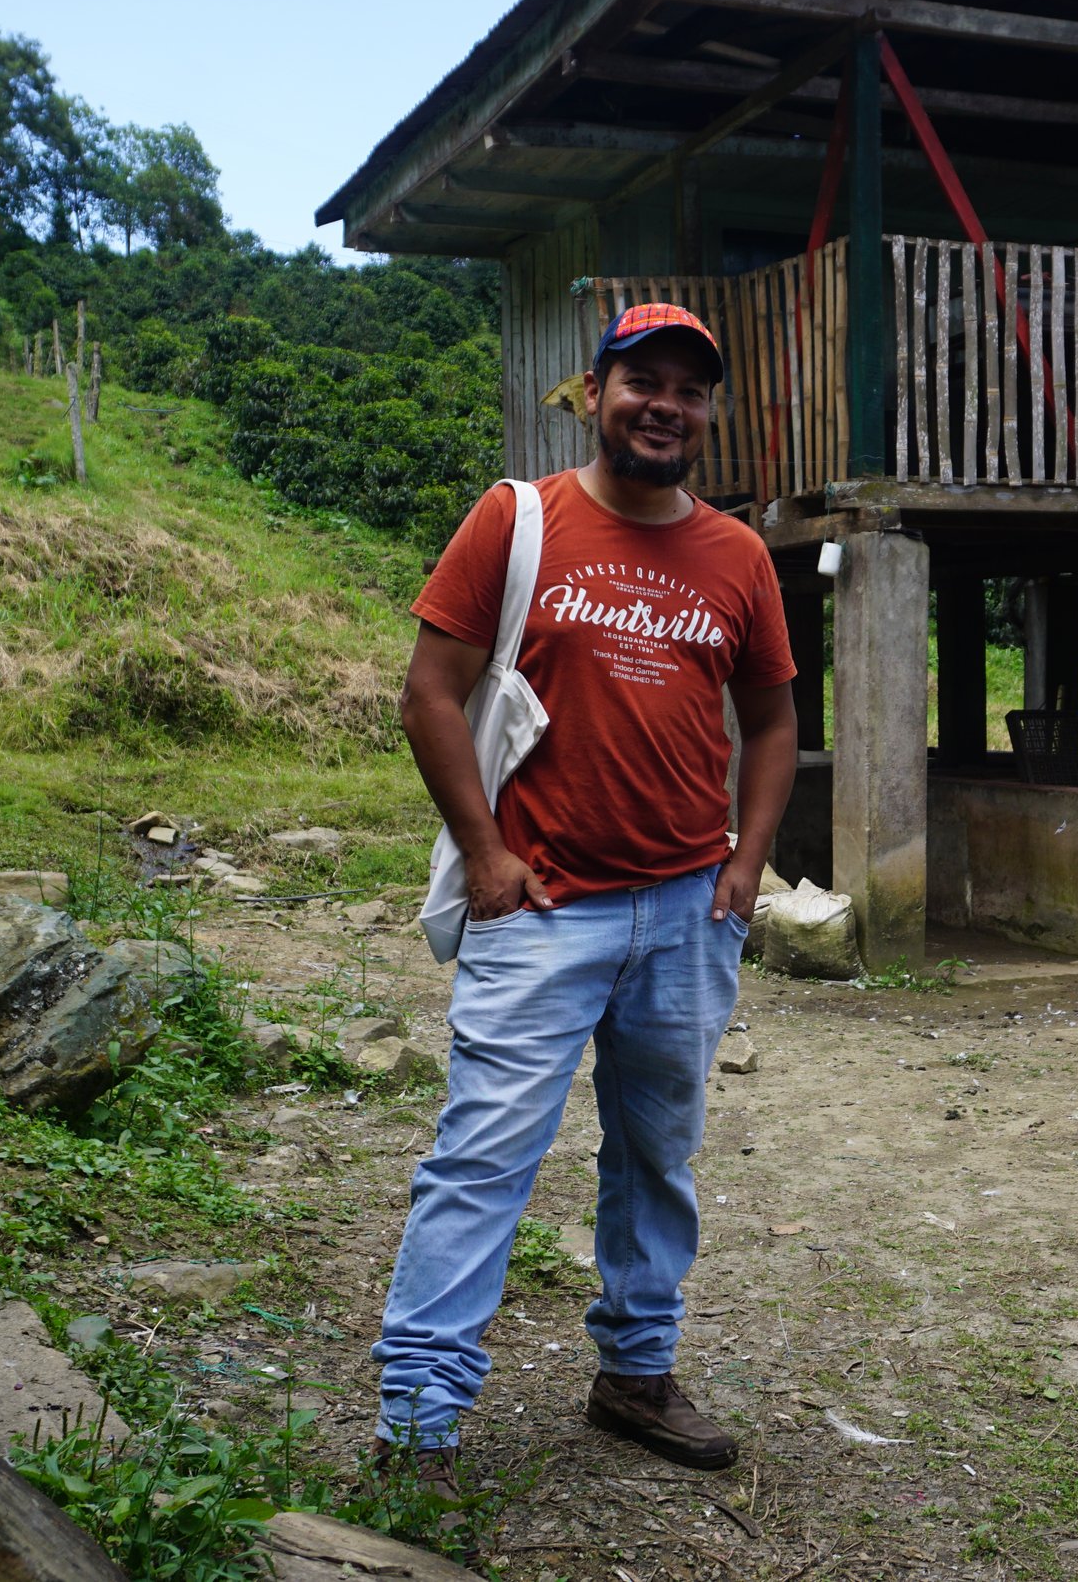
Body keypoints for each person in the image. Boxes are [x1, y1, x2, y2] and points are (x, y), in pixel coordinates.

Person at [372, 303, 799, 1491]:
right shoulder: (518, 520)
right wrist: (485, 851)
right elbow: (428, 692)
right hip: (543, 907)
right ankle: (419, 1414)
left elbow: (771, 720)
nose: (665, 405)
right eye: (642, 381)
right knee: (483, 1157)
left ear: (706, 414)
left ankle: (636, 1372)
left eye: (688, 390)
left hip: (686, 910)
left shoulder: (738, 556)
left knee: (657, 1156)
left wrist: (746, 862)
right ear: (595, 392)